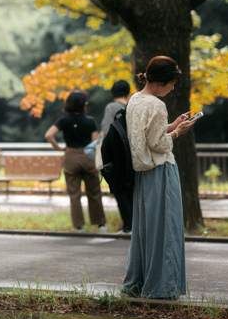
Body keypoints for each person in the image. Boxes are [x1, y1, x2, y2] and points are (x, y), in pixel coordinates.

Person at [122, 56, 195, 299]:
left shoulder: (135, 98)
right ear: (161, 82)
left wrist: (172, 124)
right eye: (172, 83)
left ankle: (137, 282)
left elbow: (144, 133)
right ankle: (161, 287)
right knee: (166, 228)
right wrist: (177, 132)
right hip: (160, 169)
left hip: (142, 172)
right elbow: (159, 143)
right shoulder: (156, 104)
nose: (173, 87)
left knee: (146, 229)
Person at [45, 89, 107, 232]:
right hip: (87, 157)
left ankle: (79, 226)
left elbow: (49, 135)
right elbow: (95, 144)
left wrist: (59, 148)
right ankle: (100, 224)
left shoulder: (63, 120)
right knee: (94, 193)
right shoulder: (90, 121)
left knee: (74, 195)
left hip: (71, 157)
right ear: (83, 105)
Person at [99, 79, 133, 233]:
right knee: (132, 188)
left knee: (119, 189)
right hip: (132, 153)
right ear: (128, 92)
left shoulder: (111, 107)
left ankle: (128, 226)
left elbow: (106, 131)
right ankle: (134, 225)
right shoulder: (132, 106)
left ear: (113, 93)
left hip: (115, 155)